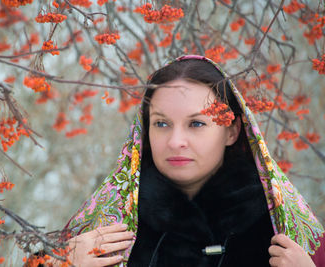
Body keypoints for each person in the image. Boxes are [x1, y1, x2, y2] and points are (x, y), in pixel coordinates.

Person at [47, 55, 325, 266]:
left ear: (231, 130)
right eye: (161, 124)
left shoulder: (284, 229)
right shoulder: (106, 226)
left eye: (196, 124)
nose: (175, 141)